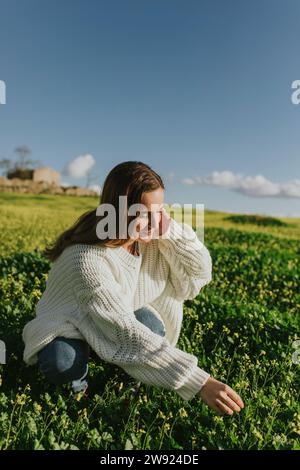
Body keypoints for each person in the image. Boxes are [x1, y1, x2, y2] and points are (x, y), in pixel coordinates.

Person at [22, 161, 244, 415]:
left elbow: (199, 273)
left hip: (118, 316)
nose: (155, 221)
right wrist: (200, 381)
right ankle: (77, 391)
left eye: (160, 210)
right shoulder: (87, 259)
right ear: (120, 211)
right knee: (61, 361)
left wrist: (170, 230)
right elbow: (124, 330)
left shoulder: (149, 239)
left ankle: (127, 381)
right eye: (145, 213)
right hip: (71, 324)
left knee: (153, 328)